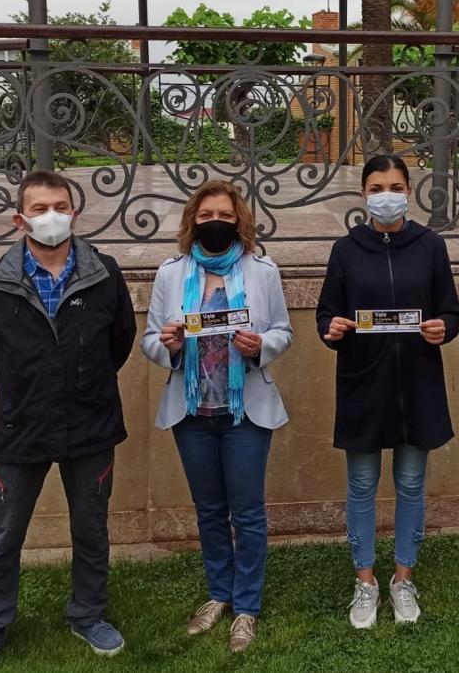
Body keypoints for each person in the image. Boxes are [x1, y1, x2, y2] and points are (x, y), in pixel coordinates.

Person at [0, 170, 137, 673]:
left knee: (91, 529)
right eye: (39, 209)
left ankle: (88, 615)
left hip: (91, 426)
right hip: (22, 429)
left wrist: (83, 383)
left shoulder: (104, 273)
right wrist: (29, 387)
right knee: (4, 537)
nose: (51, 216)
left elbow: (119, 341)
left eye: (59, 206)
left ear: (74, 214)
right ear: (21, 219)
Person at [141, 180, 293, 653]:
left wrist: (261, 346)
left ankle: (246, 607)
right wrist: (165, 346)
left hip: (246, 409)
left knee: (247, 513)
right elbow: (149, 339)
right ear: (192, 221)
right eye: (206, 215)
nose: (215, 223)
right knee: (209, 512)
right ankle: (218, 594)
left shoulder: (262, 270)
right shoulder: (170, 273)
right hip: (192, 412)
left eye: (224, 215)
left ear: (239, 220)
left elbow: (284, 331)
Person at [315, 154, 459, 629]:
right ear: (364, 194)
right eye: (377, 187)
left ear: (409, 192)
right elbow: (326, 314)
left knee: (412, 484)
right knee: (361, 486)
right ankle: (365, 583)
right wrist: (331, 329)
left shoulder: (431, 245)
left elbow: (451, 312)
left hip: (417, 385)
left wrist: (445, 328)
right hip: (364, 384)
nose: (386, 195)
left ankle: (402, 578)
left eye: (395, 186)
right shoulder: (346, 250)